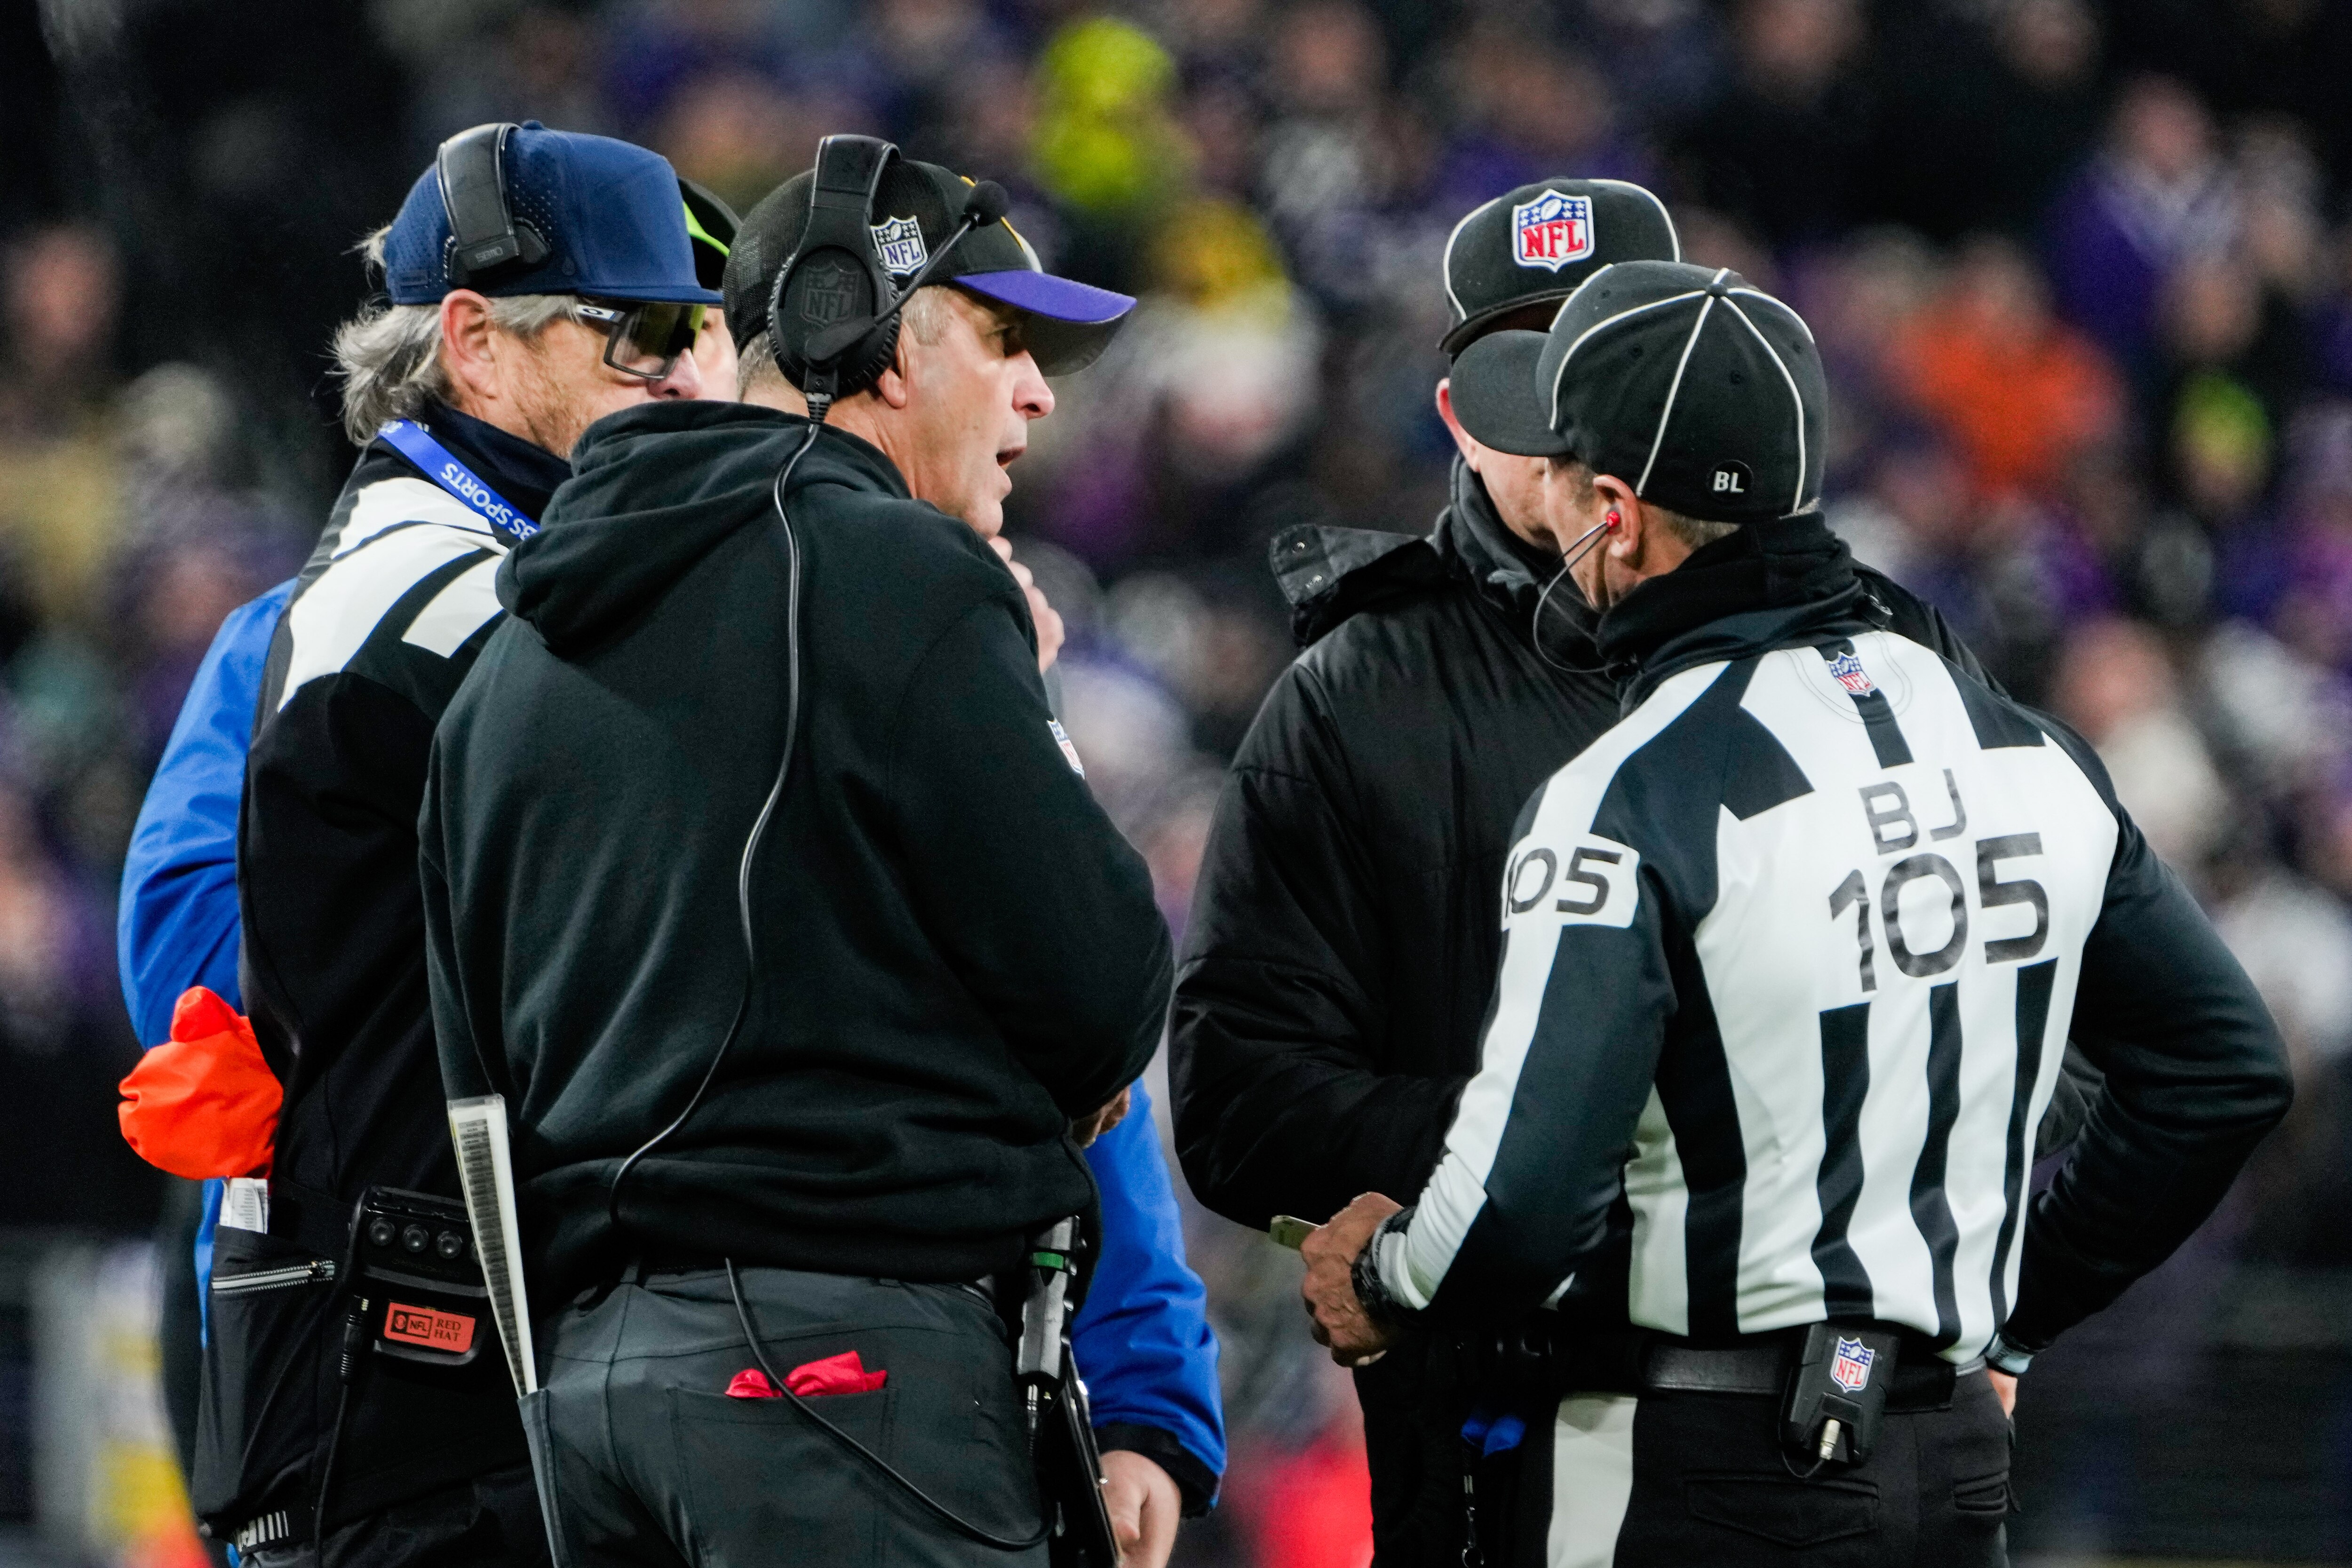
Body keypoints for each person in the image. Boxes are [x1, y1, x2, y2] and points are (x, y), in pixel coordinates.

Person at [126, 144, 1219, 1565]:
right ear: (477, 345)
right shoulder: (365, 626)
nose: (697, 367)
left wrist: (1138, 1382)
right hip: (423, 1406)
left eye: (710, 323)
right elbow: (208, 998)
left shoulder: (823, 588)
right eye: (645, 331)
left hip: (554, 1396)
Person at [1300, 260, 2294, 1565]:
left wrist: (1382, 1279)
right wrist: (1997, 1323)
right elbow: (2221, 1070)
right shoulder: (2015, 740)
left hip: (1693, 1475)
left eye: (1560, 464)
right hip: (1948, 1473)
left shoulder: (1628, 795)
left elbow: (1518, 1212)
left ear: (1617, 511)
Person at [1166, 180, 2091, 1567]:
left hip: (1856, 1427)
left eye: (1611, 368)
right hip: (1499, 1428)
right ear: (1458, 412)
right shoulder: (1358, 691)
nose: (1569, 433)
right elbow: (1239, 1097)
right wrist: (1570, 1163)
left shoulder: (1877, 660)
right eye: (1534, 377)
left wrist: (2001, 1307)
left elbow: (2056, 1047)